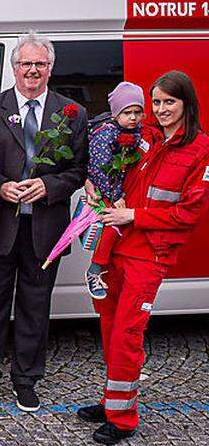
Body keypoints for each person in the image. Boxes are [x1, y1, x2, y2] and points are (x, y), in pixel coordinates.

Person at [84, 71, 209, 445]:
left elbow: (187, 213)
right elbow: (119, 174)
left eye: (169, 102)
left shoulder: (201, 151)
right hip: (116, 246)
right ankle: (111, 401)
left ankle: (122, 418)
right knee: (108, 328)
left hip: (148, 254)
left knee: (127, 332)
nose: (161, 109)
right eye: (156, 102)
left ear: (187, 103)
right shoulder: (147, 138)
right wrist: (101, 187)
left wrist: (133, 215)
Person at [0, 33, 88, 412]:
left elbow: (79, 170)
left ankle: (26, 378)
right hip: (0, 223)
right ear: (14, 67)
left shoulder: (72, 112)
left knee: (35, 307)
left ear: (50, 68)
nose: (32, 70)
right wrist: (0, 187)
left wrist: (49, 185)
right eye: (26, 64)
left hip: (45, 228)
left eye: (40, 64)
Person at [83, 82, 146, 300]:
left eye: (138, 112)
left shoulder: (136, 131)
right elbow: (101, 171)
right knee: (111, 224)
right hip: (103, 189)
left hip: (118, 188)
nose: (133, 117)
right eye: (127, 112)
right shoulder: (106, 134)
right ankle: (94, 270)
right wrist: (115, 196)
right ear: (115, 113)